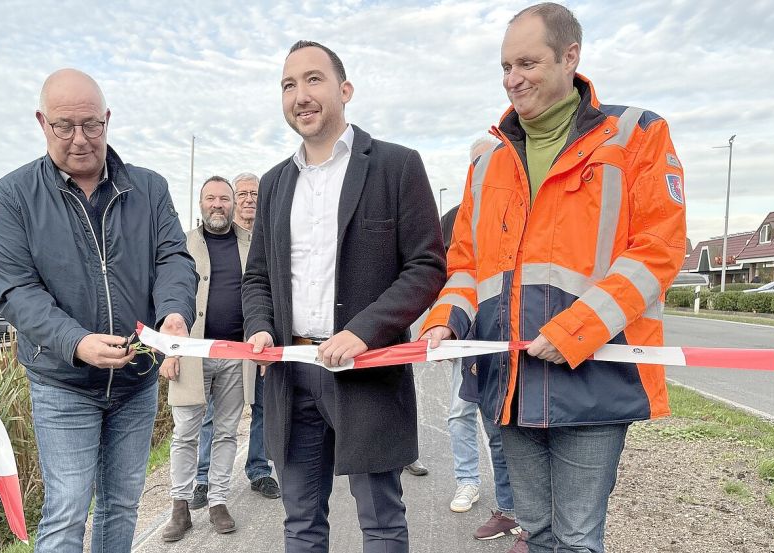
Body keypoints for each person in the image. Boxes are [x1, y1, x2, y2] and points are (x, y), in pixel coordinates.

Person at [420, 3, 686, 552]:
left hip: (594, 380)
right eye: (504, 67)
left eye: (527, 63)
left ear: (571, 57)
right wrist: (446, 319)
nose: (512, 80)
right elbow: (465, 263)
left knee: (578, 537)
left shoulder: (636, 134)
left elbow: (657, 252)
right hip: (510, 380)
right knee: (535, 532)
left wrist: (573, 331)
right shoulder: (487, 163)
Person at [242, 40, 446, 553]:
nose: (300, 95)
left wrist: (362, 331)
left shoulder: (397, 166)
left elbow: (426, 266)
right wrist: (259, 327)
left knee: (380, 521)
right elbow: (258, 276)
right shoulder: (273, 184)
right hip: (293, 374)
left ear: (345, 89)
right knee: (301, 524)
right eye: (288, 85)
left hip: (368, 370)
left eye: (313, 80)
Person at [0, 68, 196, 553]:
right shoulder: (13, 196)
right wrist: (76, 343)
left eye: (91, 125)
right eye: (64, 126)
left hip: (137, 380)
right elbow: (17, 291)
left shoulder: (149, 188)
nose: (80, 139)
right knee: (66, 511)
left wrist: (174, 314)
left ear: (107, 120)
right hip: (63, 384)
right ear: (42, 123)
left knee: (121, 506)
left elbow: (174, 258)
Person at [162, 176, 258, 540]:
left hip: (236, 354)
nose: (217, 205)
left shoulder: (252, 244)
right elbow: (165, 297)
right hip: (190, 355)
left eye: (224, 199)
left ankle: (218, 500)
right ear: (200, 204)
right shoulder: (181, 245)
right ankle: (180, 507)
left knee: (226, 432)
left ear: (233, 204)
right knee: (185, 432)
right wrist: (168, 352)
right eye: (210, 199)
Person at [443, 139, 525, 543]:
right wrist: (444, 326)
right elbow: (451, 273)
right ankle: (469, 483)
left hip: (501, 343)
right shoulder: (455, 217)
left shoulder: (519, 211)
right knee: (460, 415)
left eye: (488, 161)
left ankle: (517, 511)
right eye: (475, 163)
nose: (481, 169)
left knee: (501, 428)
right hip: (466, 342)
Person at [192, 172, 281, 510]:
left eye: (253, 193)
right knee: (211, 414)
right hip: (214, 346)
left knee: (262, 406)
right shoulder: (208, 239)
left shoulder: (265, 240)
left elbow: (269, 291)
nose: (247, 199)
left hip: (256, 342)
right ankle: (203, 478)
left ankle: (259, 469)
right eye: (240, 193)